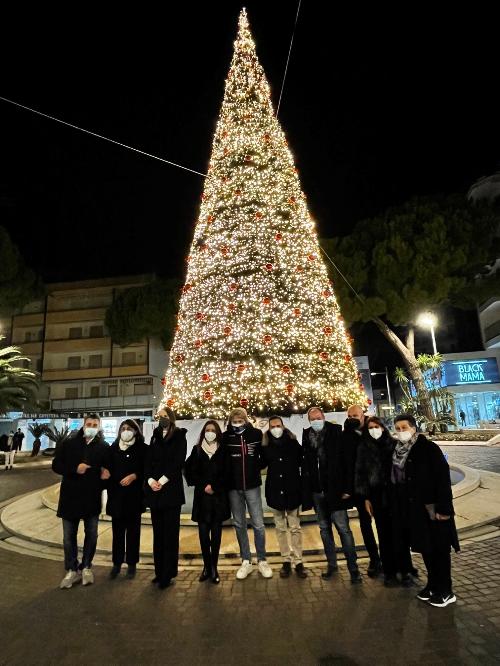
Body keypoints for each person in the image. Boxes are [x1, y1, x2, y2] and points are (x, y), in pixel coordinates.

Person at [391, 414, 460, 607]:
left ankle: (446, 590)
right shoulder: (398, 451)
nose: (401, 431)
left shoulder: (429, 449)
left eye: (404, 427)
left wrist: (444, 508)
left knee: (440, 550)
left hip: (433, 509)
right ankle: (432, 584)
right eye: (398, 428)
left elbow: (442, 480)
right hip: (414, 511)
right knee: (426, 549)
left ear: (414, 428)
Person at [302, 406, 361, 584]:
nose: (316, 421)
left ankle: (353, 569)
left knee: (343, 529)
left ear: (324, 416)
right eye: (312, 419)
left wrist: (347, 489)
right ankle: (332, 565)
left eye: (318, 417)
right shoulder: (307, 435)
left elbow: (345, 462)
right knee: (324, 530)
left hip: (335, 491)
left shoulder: (336, 432)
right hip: (317, 492)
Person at [52, 414, 110, 589]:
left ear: (99, 427)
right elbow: (56, 465)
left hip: (91, 499)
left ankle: (86, 566)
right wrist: (74, 469)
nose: (91, 426)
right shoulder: (69, 444)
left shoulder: (104, 447)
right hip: (70, 498)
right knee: (68, 537)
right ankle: (71, 568)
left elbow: (106, 473)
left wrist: (105, 477)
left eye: (95, 424)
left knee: (91, 535)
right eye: (89, 424)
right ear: (83, 426)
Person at [223, 407, 272, 580]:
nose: (237, 424)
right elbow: (223, 460)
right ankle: (246, 560)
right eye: (234, 421)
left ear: (245, 420)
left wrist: (254, 469)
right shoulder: (226, 437)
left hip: (252, 486)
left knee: (258, 524)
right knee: (239, 524)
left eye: (240, 421)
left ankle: (262, 560)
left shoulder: (256, 434)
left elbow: (264, 456)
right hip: (233, 488)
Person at [144, 407, 187, 590]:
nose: (162, 419)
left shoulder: (179, 435)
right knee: (158, 534)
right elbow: (149, 460)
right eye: (159, 416)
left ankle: (168, 573)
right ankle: (159, 571)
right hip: (155, 491)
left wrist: (162, 480)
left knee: (170, 534)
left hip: (171, 490)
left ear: (171, 418)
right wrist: (151, 480)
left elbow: (178, 461)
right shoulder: (154, 436)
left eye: (165, 416)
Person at [261, 415, 309, 579]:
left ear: (283, 426)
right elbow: (260, 464)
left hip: (292, 490)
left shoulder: (292, 442)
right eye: (272, 426)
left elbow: (302, 460)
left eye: (278, 425)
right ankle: (286, 560)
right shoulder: (265, 445)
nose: (276, 428)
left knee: (295, 528)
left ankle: (299, 561)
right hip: (275, 492)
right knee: (280, 528)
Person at [185, 420, 229, 584]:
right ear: (203, 432)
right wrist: (204, 485)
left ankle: (214, 567)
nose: (210, 432)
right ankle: (206, 566)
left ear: (217, 432)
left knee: (216, 536)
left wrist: (215, 487)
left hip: (218, 499)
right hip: (202, 499)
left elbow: (227, 472)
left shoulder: (223, 450)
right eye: (207, 430)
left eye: (213, 430)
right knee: (204, 536)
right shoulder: (196, 450)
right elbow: (189, 471)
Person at [354, 416, 398, 586]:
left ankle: (404, 568)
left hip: (394, 495)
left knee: (398, 534)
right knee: (384, 534)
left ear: (383, 427)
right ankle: (389, 572)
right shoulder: (363, 447)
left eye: (377, 426)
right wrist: (365, 497)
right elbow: (361, 475)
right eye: (371, 427)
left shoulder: (393, 444)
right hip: (376, 497)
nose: (374, 429)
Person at [343, 405, 381, 577]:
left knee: (383, 524)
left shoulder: (373, 430)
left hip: (378, 488)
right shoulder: (347, 435)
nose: (352, 418)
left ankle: (390, 557)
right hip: (360, 489)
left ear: (363, 416)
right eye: (349, 415)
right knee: (365, 525)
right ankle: (374, 559)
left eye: (355, 415)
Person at [106, 419, 146, 580]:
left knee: (133, 533)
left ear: (135, 431)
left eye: (129, 428)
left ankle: (131, 564)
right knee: (117, 533)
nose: (126, 431)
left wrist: (135, 476)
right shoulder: (113, 448)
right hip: (116, 497)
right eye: (123, 428)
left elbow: (146, 469)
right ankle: (116, 563)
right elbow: (107, 470)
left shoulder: (142, 449)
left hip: (134, 498)